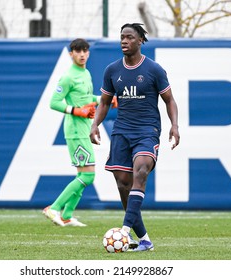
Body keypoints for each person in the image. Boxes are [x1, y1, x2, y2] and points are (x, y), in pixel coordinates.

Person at [90, 23, 180, 251]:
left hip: (147, 131)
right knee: (123, 185)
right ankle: (145, 240)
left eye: (129, 37)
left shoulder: (154, 70)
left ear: (140, 41)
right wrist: (95, 124)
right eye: (122, 37)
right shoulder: (112, 70)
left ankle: (124, 231)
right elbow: (104, 102)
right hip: (122, 131)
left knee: (141, 171)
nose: (124, 41)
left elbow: (169, 100)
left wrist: (174, 126)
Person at [43, 38, 117, 227]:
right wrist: (76, 111)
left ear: (88, 53)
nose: (82, 54)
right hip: (75, 131)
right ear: (71, 54)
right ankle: (54, 208)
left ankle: (66, 216)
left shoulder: (86, 74)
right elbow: (54, 102)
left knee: (82, 175)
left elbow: (86, 98)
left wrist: (104, 100)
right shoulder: (68, 76)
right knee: (88, 176)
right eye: (78, 51)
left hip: (85, 128)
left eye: (85, 51)